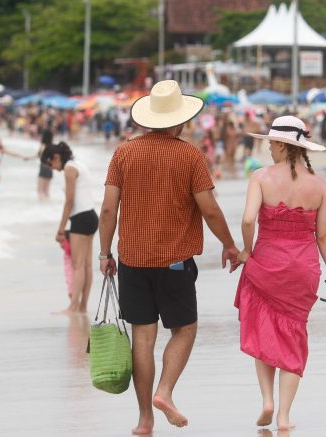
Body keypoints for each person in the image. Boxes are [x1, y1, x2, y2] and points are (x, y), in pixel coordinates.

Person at [98, 80, 239, 435]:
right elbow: (209, 209)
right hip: (175, 260)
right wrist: (230, 245)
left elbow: (107, 210)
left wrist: (104, 253)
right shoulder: (190, 155)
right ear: (180, 119)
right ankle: (165, 391)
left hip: (131, 259)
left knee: (142, 337)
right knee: (185, 329)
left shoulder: (123, 153)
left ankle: (145, 420)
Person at [234, 115, 326, 431]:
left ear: (283, 145)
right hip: (303, 268)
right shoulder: (319, 185)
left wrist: (246, 251)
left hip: (266, 262)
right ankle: (283, 416)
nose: (268, 148)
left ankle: (267, 400)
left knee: (262, 327)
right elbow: (323, 235)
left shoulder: (261, 177)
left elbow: (247, 220)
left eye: (271, 143)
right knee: (294, 334)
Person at [42, 142, 98, 313]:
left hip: (80, 218)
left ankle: (74, 306)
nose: (52, 168)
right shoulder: (78, 164)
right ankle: (82, 306)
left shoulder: (69, 169)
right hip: (91, 216)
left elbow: (69, 201)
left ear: (56, 158)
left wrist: (61, 229)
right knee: (86, 265)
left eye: (50, 164)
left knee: (78, 265)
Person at [36, 128, 54, 201]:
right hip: (50, 167)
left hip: (43, 167)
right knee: (46, 191)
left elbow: (39, 155)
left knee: (40, 190)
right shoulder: (52, 146)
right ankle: (47, 206)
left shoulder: (43, 145)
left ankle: (42, 208)